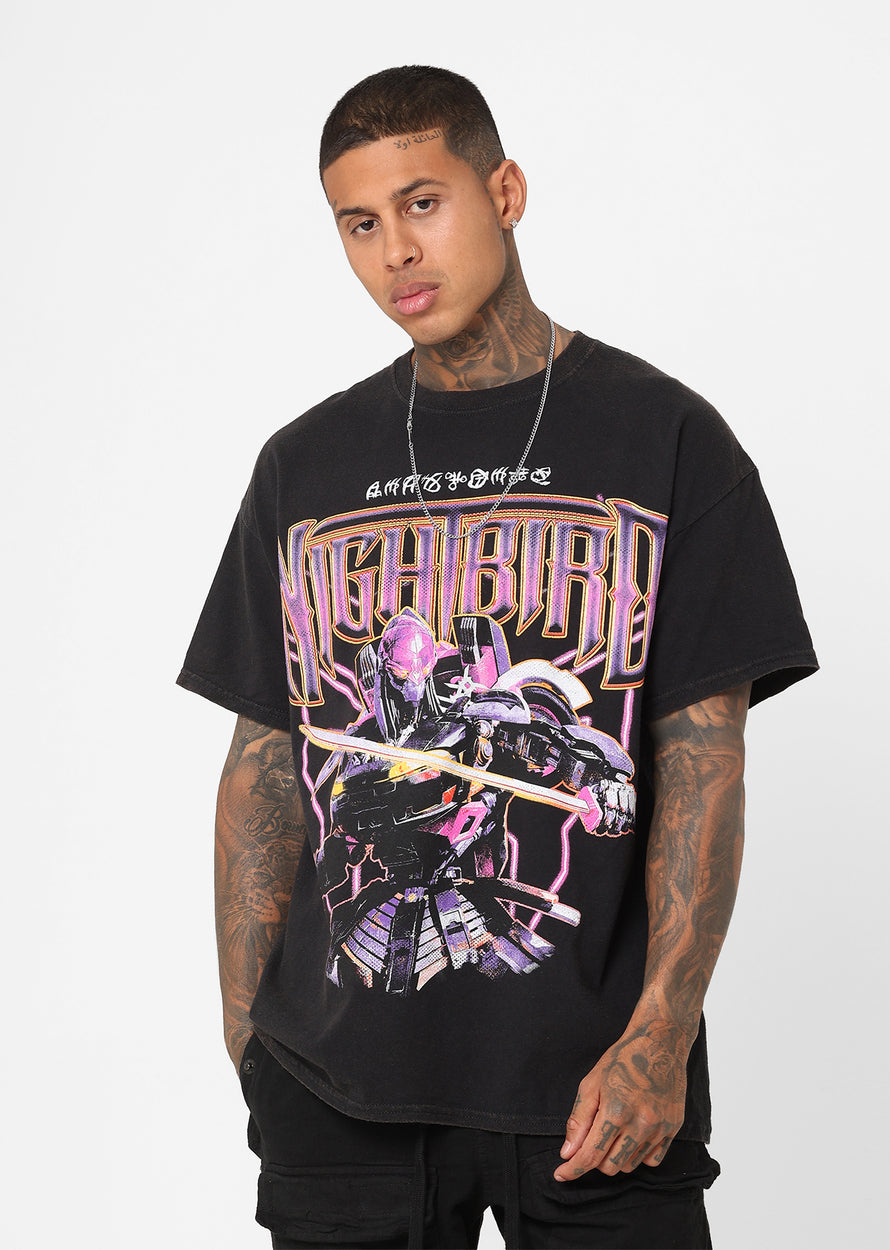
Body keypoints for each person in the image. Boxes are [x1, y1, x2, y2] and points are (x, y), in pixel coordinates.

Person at [178, 65, 817, 1250]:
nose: (395, 253)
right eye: (358, 223)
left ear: (505, 191)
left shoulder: (667, 438)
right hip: (337, 1094)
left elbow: (702, 763)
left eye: (422, 203)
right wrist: (249, 1032)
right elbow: (263, 764)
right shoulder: (304, 465)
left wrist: (659, 1034)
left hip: (594, 1091)